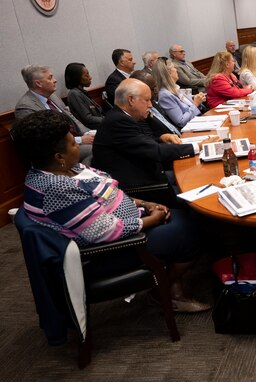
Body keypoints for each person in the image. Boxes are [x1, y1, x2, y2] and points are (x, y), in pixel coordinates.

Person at [12, 110, 211, 312]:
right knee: (194, 230)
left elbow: (109, 193)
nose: (78, 146)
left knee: (187, 216)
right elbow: (106, 232)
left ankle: (171, 287)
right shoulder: (57, 188)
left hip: (130, 225)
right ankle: (164, 292)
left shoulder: (68, 168)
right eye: (73, 144)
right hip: (110, 250)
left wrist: (145, 204)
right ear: (58, 156)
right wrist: (154, 219)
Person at [92, 79, 213, 190]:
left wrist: (161, 138)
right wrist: (198, 146)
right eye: (147, 100)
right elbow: (154, 151)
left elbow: (140, 142)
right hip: (142, 186)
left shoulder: (123, 116)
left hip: (148, 172)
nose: (150, 105)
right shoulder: (118, 121)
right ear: (131, 100)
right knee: (199, 182)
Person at [14, 65, 94, 164]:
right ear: (38, 83)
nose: (55, 80)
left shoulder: (53, 97)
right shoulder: (25, 107)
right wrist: (79, 140)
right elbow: (42, 139)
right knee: (96, 149)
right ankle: (83, 178)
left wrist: (87, 133)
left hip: (73, 142)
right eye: (50, 78)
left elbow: (71, 117)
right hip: (56, 153)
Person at [129, 70, 183, 141]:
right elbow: (150, 140)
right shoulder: (138, 113)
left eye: (156, 86)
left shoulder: (153, 102)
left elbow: (171, 125)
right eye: (153, 88)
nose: (156, 91)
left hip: (181, 136)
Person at [152, 59, 206, 129]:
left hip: (198, 121)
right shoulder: (165, 95)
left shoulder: (174, 88)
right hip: (189, 129)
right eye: (174, 68)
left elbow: (189, 105)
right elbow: (181, 121)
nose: (176, 70)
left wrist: (197, 98)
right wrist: (196, 104)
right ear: (168, 73)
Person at [64, 62, 104, 129]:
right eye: (86, 75)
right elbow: (88, 119)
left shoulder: (81, 92)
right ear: (76, 78)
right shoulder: (74, 94)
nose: (90, 78)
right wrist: (108, 120)